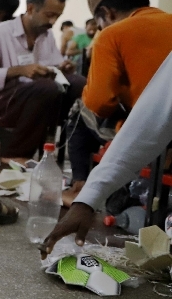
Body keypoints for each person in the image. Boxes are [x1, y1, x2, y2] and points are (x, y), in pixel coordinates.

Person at [42, 51, 172, 256]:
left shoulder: (109, 37)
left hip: (142, 130)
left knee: (80, 111)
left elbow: (100, 101)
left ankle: (79, 182)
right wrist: (88, 201)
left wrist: (88, 198)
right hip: (161, 142)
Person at [65, 0, 171, 200]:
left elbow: (100, 103)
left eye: (99, 24)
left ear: (107, 13)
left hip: (155, 134)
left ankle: (82, 187)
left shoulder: (112, 34)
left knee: (80, 108)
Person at [0, 0, 86, 161]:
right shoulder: (0, 33)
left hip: (35, 96)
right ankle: (15, 154)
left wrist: (62, 67)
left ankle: (76, 158)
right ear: (31, 8)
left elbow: (52, 64)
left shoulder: (46, 35)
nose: (53, 22)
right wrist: (19, 71)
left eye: (57, 16)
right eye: (49, 15)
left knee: (79, 83)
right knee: (45, 89)